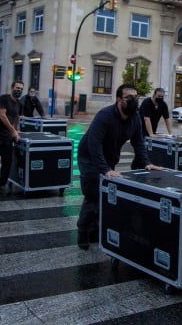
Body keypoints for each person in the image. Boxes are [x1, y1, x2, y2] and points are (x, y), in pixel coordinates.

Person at [76, 83, 162, 250]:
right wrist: (105, 169)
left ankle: (95, 230)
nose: (133, 100)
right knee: (93, 193)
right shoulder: (104, 115)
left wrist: (146, 163)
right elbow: (94, 144)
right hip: (89, 157)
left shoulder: (135, 118)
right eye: (129, 97)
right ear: (118, 100)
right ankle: (83, 231)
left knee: (106, 192)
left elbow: (138, 143)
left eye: (136, 97)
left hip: (109, 157)